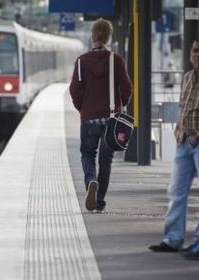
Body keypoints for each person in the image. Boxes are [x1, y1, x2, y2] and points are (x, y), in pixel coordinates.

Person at [149, 38, 199, 252]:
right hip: (183, 141)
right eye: (195, 51)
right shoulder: (187, 77)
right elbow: (184, 106)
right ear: (190, 55)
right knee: (176, 191)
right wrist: (178, 127)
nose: (198, 54)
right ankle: (172, 239)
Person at [69, 18, 132, 212]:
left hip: (89, 118)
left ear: (93, 36)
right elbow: (127, 88)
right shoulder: (117, 60)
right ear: (109, 36)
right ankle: (100, 201)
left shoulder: (81, 61)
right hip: (111, 119)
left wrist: (84, 109)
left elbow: (74, 91)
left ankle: (91, 181)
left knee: (87, 154)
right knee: (106, 160)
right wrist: (122, 105)